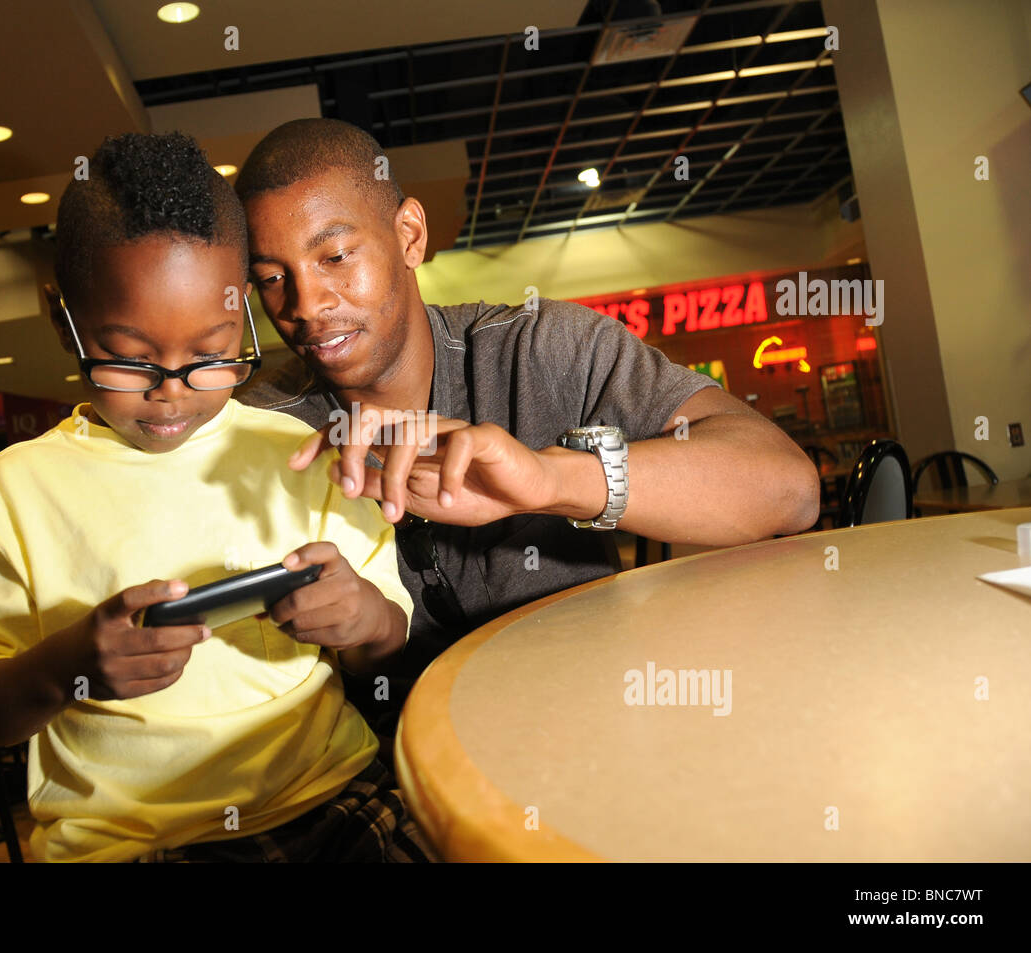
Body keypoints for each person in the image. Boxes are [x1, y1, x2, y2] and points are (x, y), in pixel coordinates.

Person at [232, 118, 820, 743]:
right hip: (393, 784)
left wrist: (552, 479)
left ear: (409, 234)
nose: (305, 303)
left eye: (336, 256)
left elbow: (788, 491)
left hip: (599, 734)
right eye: (272, 277)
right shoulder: (261, 431)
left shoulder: (543, 349)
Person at [0, 132, 435, 862]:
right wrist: (67, 664)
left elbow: (385, 639)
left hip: (329, 798)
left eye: (211, 355)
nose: (172, 392)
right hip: (128, 844)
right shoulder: (13, 491)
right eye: (132, 358)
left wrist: (364, 617)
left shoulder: (298, 452)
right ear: (61, 318)